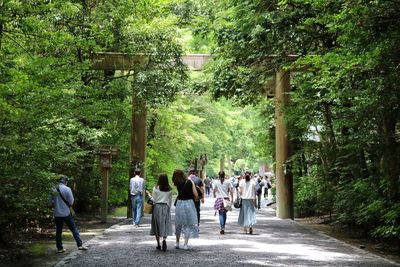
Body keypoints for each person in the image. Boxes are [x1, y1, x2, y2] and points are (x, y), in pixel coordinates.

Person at [48, 175, 88, 253]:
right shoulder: (67, 189)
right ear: (65, 182)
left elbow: (49, 203)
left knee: (58, 231)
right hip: (67, 213)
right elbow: (71, 202)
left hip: (57, 214)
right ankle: (80, 245)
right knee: (73, 229)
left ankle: (60, 248)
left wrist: (56, 203)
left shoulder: (53, 189)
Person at [172, 169, 199, 250]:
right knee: (187, 224)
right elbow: (196, 194)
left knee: (178, 223)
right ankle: (185, 244)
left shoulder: (177, 183)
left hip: (180, 203)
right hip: (189, 203)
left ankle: (177, 243)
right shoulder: (190, 182)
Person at [150, 173, 173, 251]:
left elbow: (153, 200)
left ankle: (158, 244)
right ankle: (164, 239)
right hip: (165, 207)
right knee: (165, 224)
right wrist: (168, 208)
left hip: (157, 207)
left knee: (157, 224)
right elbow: (170, 201)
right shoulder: (170, 189)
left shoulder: (156, 188)